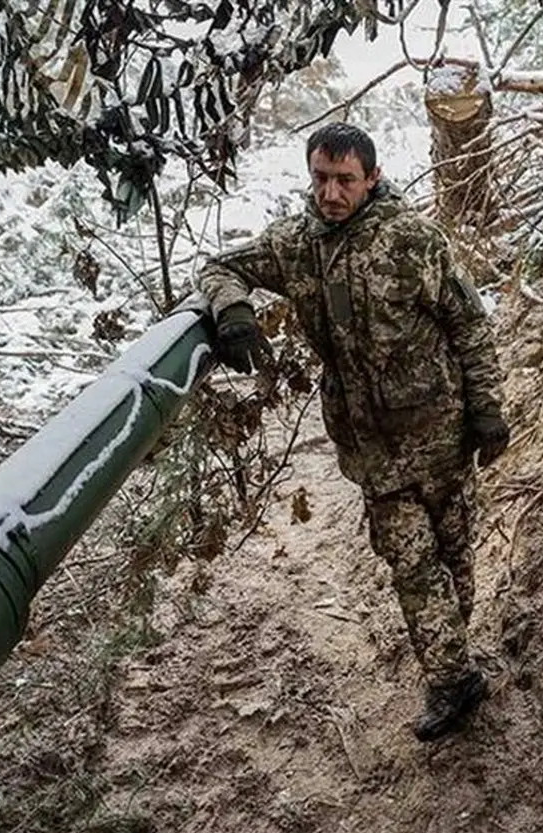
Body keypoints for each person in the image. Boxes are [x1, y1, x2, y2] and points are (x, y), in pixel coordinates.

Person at [196, 123, 509, 742]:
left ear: (372, 178)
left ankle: (452, 651)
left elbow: (469, 326)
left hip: (440, 433)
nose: (331, 194)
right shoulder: (295, 245)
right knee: (411, 561)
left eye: (344, 180)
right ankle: (453, 680)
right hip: (370, 447)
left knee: (454, 552)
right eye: (320, 178)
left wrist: (487, 410)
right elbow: (218, 266)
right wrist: (234, 313)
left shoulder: (412, 240)